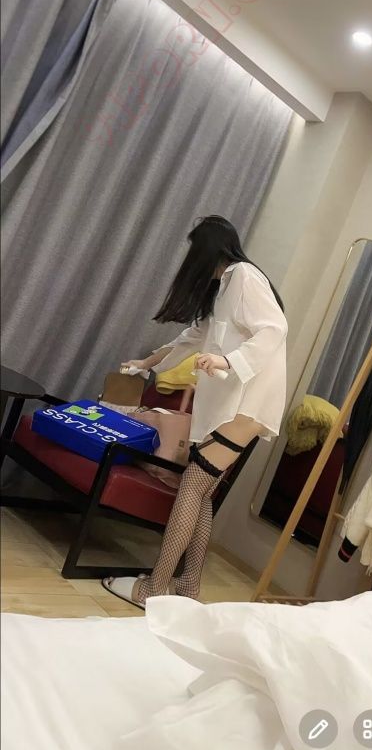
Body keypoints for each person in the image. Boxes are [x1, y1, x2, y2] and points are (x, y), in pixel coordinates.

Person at [102, 215, 287, 607]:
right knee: (201, 492)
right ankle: (188, 587)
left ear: (207, 250)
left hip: (248, 404)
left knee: (192, 484)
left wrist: (228, 361)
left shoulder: (243, 276)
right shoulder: (221, 291)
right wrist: (146, 364)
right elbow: (189, 339)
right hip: (231, 407)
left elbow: (275, 328)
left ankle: (154, 588)